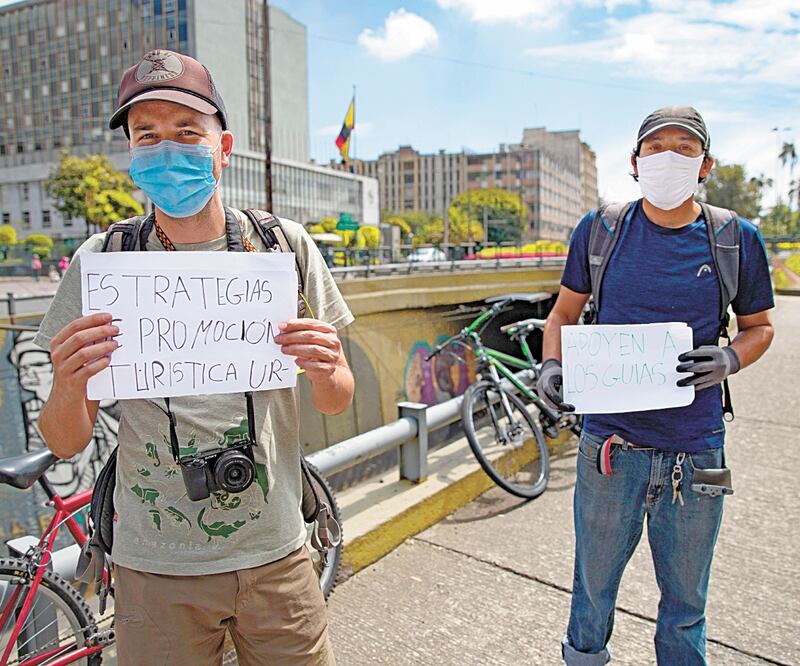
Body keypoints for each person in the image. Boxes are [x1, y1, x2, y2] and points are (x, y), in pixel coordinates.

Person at [34, 50, 354, 665]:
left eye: (187, 133)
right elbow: (65, 441)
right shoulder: (102, 263)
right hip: (153, 569)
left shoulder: (282, 248)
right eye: (146, 135)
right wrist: (68, 386)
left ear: (222, 147)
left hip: (279, 553)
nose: (167, 151)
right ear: (131, 153)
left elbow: (336, 400)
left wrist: (328, 366)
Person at [537, 107, 774, 665]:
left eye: (685, 149)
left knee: (687, 604)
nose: (669, 158)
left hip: (698, 450)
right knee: (592, 592)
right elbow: (562, 315)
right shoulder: (601, 231)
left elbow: (760, 328)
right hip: (609, 450)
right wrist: (550, 366)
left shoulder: (735, 239)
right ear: (635, 162)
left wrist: (730, 358)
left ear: (706, 164)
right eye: (656, 147)